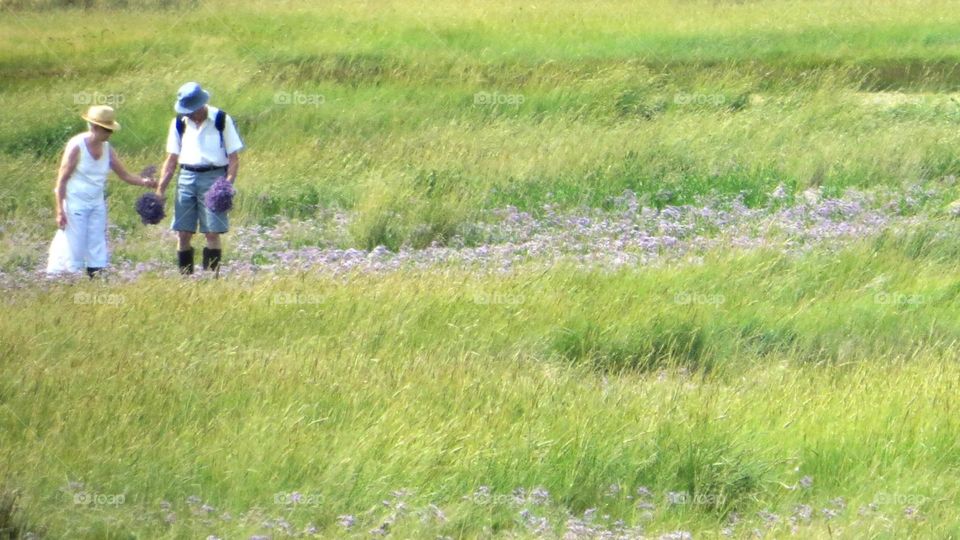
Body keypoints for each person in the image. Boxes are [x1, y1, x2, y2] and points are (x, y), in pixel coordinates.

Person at [51, 105, 157, 277]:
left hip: (96, 202)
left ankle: (97, 278)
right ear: (94, 127)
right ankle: (70, 279)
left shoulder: (108, 149)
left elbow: (125, 175)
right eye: (106, 130)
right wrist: (59, 210)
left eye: (110, 130)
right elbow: (61, 180)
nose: (109, 134)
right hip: (75, 203)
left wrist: (146, 182)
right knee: (75, 243)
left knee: (97, 241)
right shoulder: (76, 146)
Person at [155, 82, 243, 275]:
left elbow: (234, 159)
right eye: (185, 111)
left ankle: (212, 278)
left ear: (201, 105)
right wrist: (160, 190)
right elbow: (170, 160)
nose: (188, 114)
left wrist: (226, 187)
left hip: (214, 178)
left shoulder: (221, 119)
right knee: (183, 233)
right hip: (186, 178)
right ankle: (185, 278)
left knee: (212, 232)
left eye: (191, 110)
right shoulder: (178, 123)